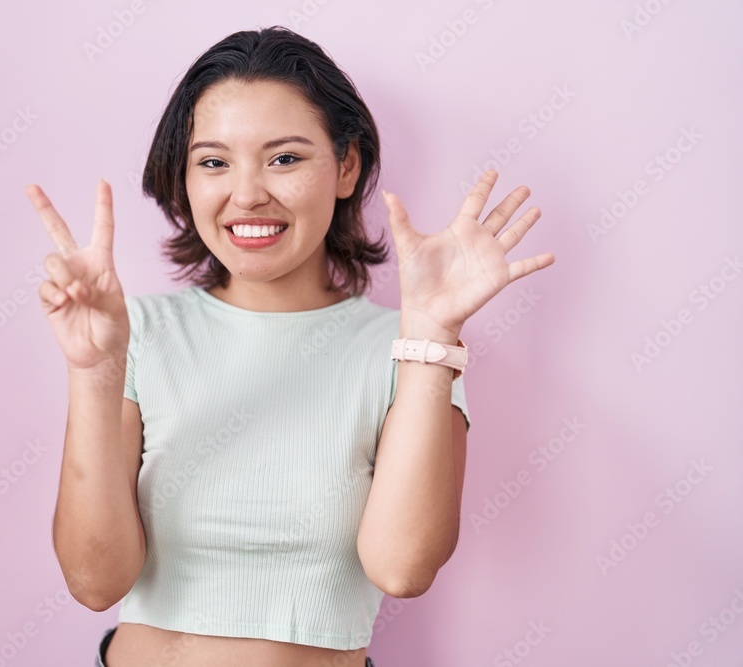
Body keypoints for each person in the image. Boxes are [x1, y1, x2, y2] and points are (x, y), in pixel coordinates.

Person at [28, 26, 554, 667]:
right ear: (184, 177)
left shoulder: (407, 350)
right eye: (214, 161)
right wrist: (95, 371)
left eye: (284, 158)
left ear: (346, 166)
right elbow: (94, 581)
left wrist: (431, 337)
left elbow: (402, 568)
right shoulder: (135, 336)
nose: (247, 193)